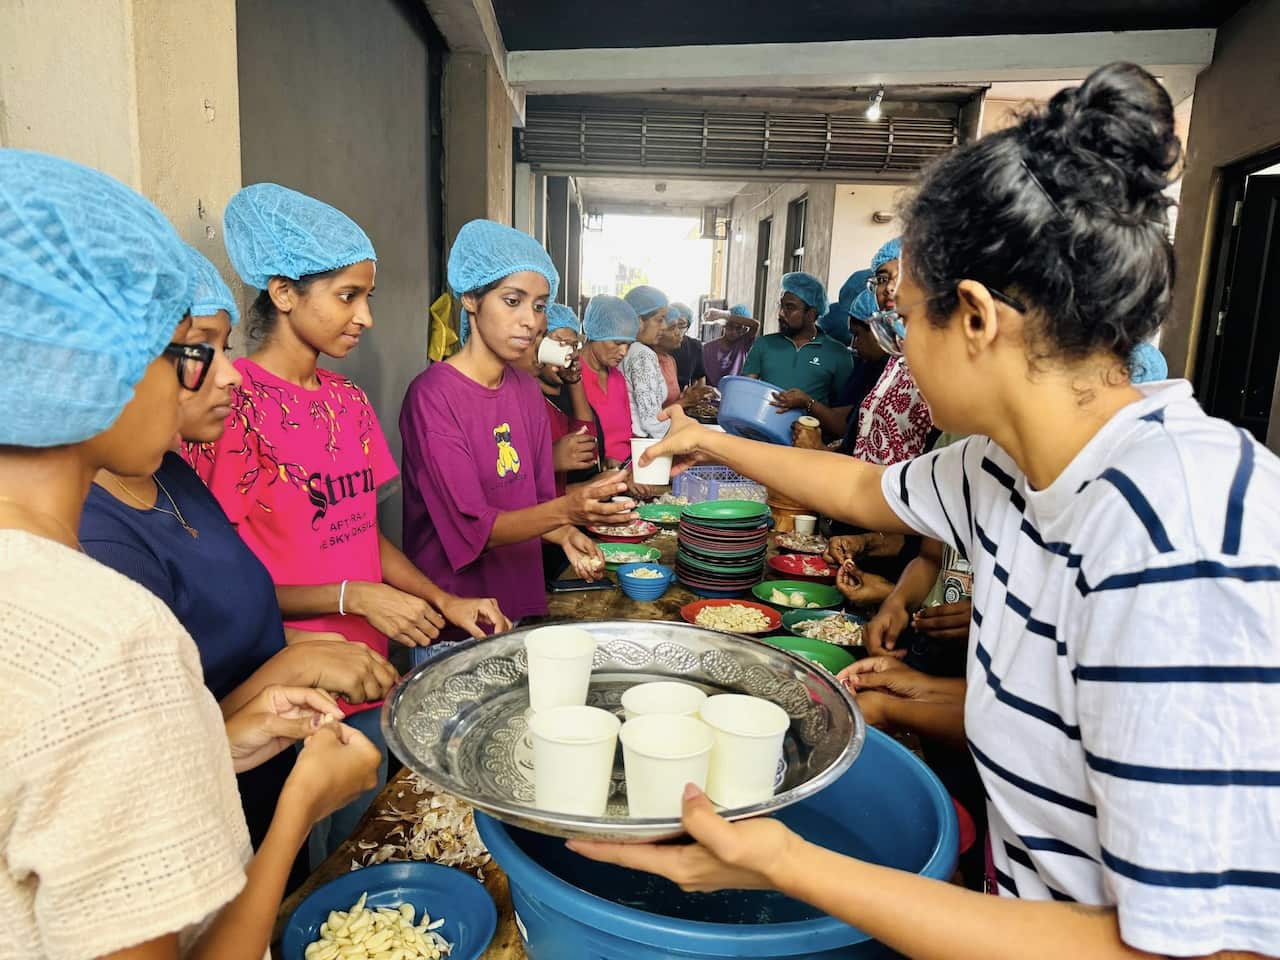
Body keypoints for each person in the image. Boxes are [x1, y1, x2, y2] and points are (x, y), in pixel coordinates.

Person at [573, 63, 1280, 959]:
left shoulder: (1178, 531)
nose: (897, 347)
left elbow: (1209, 952)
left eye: (907, 318)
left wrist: (791, 865)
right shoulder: (1006, 468)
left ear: (977, 317)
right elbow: (868, 491)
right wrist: (708, 443)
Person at [0, 148, 381, 960]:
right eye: (186, 351)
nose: (208, 380)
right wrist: (299, 811)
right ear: (91, 359)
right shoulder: (108, 643)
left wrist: (221, 741)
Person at [191, 183, 504, 866]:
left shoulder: (348, 402)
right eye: (345, 296)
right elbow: (226, 591)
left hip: (370, 675)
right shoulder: (229, 408)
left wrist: (442, 599)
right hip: (287, 693)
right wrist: (350, 597)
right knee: (299, 867)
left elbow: (361, 533)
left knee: (363, 854)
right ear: (281, 292)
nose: (363, 316)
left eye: (368, 297)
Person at [80, 244, 397, 881]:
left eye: (223, 349)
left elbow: (228, 624)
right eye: (199, 350)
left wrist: (305, 646)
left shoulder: (168, 472)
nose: (228, 376)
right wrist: (307, 645)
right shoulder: (97, 546)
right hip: (208, 840)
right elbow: (145, 777)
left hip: (266, 779)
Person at [399, 219, 621, 635]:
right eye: (512, 300)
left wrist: (564, 532)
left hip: (519, 603)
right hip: (457, 618)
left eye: (538, 306)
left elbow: (533, 502)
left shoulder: (522, 388)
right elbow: (476, 530)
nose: (531, 322)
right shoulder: (433, 397)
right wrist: (568, 509)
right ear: (470, 298)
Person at [848, 238, 936, 465]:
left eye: (905, 275)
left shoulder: (940, 360)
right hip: (865, 492)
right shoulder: (895, 358)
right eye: (882, 279)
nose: (888, 288)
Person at [779, 285, 890, 446]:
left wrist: (819, 448)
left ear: (879, 330)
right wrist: (807, 403)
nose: (853, 345)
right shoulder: (869, 367)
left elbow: (852, 437)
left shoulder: (895, 379)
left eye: (857, 335)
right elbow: (847, 421)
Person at [742, 272, 853, 406]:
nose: (781, 313)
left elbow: (843, 410)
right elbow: (746, 392)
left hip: (809, 426)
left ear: (811, 314)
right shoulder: (763, 344)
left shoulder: (838, 354)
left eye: (790, 307)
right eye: (781, 306)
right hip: (762, 424)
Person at [581, 294, 641, 464]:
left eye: (628, 345)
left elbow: (625, 435)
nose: (624, 352)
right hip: (594, 475)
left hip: (627, 471)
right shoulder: (571, 377)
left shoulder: (617, 379)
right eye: (617, 342)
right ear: (595, 333)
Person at [621, 284, 673, 438]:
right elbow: (652, 421)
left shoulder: (624, 349)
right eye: (659, 320)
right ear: (639, 321)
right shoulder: (642, 354)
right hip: (644, 442)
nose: (664, 327)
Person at [703, 304, 759, 387]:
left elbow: (755, 325)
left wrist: (722, 315)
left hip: (735, 392)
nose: (733, 332)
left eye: (738, 328)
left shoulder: (743, 344)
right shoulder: (707, 348)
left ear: (745, 330)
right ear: (724, 325)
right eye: (730, 326)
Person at [668, 301, 708, 390]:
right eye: (672, 324)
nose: (676, 331)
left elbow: (700, 377)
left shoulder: (694, 346)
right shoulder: (657, 347)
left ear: (688, 326)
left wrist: (697, 397)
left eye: (681, 324)